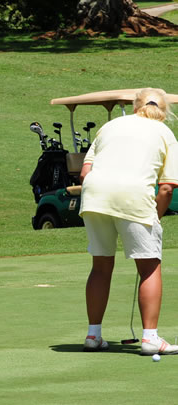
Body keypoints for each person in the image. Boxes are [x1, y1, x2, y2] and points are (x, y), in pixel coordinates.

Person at [80, 88, 178, 355]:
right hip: (134, 197)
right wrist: (155, 217)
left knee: (100, 266)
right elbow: (167, 188)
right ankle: (150, 339)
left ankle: (93, 335)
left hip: (95, 196)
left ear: (135, 106)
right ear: (164, 111)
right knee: (149, 267)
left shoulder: (110, 126)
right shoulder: (165, 133)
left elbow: (85, 172)